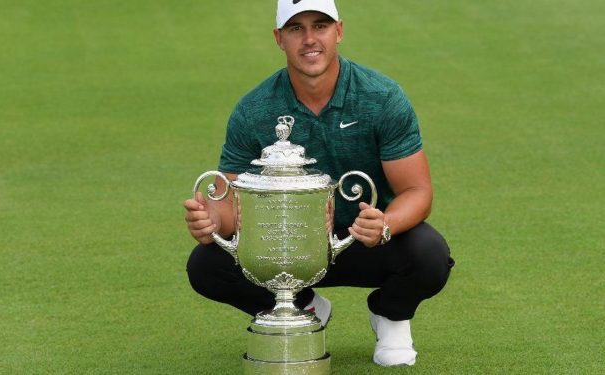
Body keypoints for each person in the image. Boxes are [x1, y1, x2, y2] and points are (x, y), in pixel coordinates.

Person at [183, 0, 454, 367]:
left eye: (320, 26)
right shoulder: (254, 109)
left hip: (365, 240)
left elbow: (417, 191)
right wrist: (212, 221)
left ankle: (391, 315)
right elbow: (230, 201)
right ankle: (302, 306)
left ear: (339, 31)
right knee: (206, 265)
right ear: (279, 38)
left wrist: (385, 224)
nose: (310, 39)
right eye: (296, 29)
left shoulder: (381, 97)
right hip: (287, 244)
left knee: (429, 255)